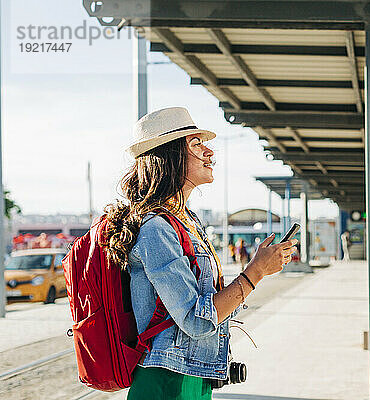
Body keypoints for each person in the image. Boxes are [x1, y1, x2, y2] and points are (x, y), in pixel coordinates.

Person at [102, 107, 297, 400]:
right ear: (169, 156)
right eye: (196, 144)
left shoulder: (187, 221)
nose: (209, 152)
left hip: (192, 375)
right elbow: (196, 319)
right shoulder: (156, 228)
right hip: (167, 381)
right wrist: (256, 271)